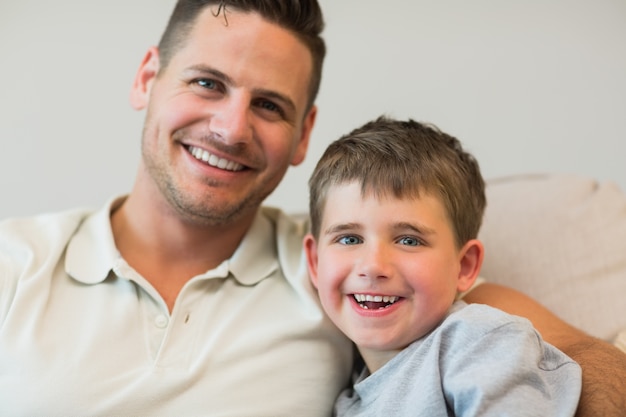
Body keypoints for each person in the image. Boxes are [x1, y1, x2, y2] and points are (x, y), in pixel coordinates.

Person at [0, 1, 623, 416]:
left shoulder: (347, 272)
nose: (231, 127)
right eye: (207, 83)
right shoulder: (14, 262)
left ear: (303, 133)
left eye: (269, 105)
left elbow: (571, 357)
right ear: (146, 78)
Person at [303, 116, 582, 416]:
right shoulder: (345, 403)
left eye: (408, 240)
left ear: (463, 267)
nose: (373, 266)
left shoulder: (478, 342)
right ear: (315, 262)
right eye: (349, 239)